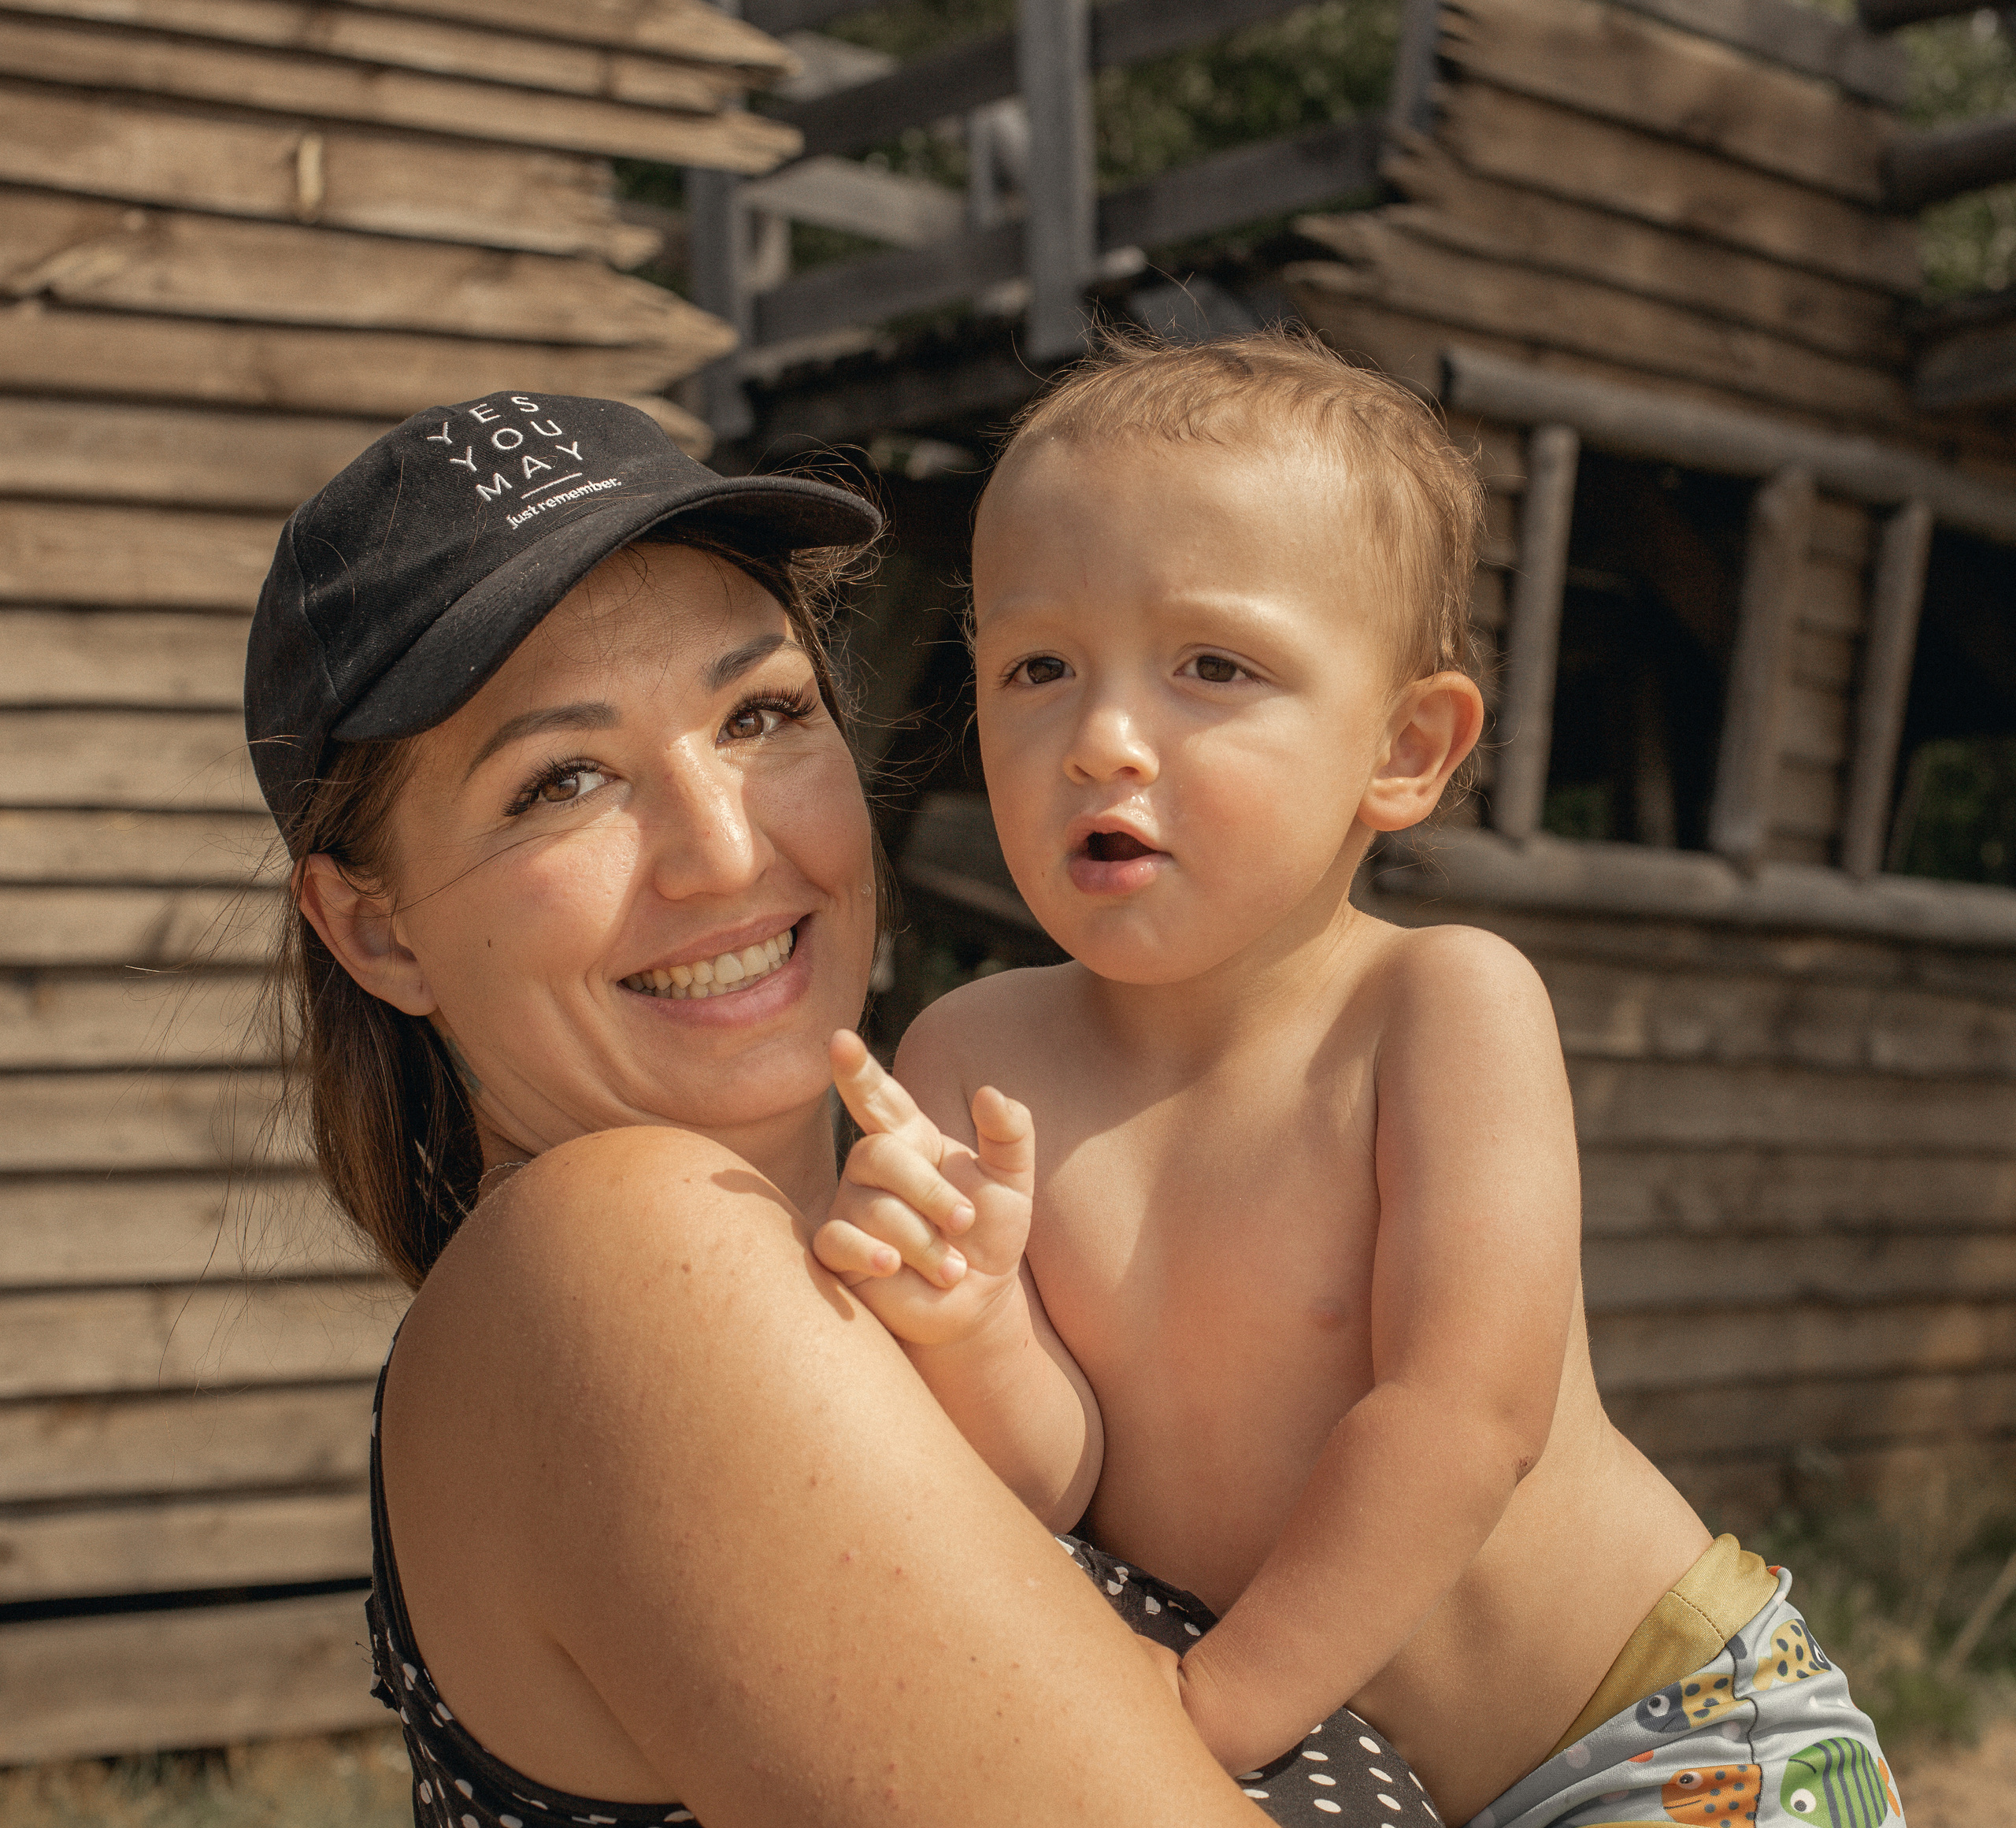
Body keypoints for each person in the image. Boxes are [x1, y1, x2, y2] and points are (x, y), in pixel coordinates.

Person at [242, 390, 1433, 1828]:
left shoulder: (971, 1319)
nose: (725, 848)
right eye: (564, 779)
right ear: (375, 931)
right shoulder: (623, 1255)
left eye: (762, 713)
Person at [810, 332, 1906, 1828]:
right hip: (1349, 1782)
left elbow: (1466, 1419)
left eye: (1212, 666)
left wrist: (1207, 1714)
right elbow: (1054, 1483)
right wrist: (972, 1319)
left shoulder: (1439, 1008)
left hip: (1659, 1735)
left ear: (1403, 746)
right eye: (1037, 666)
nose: (1100, 739)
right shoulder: (969, 1056)